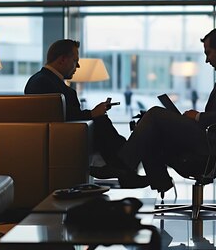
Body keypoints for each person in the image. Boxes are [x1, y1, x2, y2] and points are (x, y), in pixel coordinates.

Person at [118, 29, 216, 194]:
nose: (207, 60)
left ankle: (124, 168)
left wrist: (199, 117)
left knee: (155, 114)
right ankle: (154, 178)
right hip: (213, 137)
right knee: (151, 125)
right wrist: (196, 118)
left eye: (209, 53)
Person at [25, 39, 147, 188]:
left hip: (58, 135)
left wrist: (93, 113)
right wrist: (92, 114)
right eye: (75, 60)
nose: (77, 66)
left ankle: (123, 165)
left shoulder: (41, 80)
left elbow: (63, 116)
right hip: (64, 139)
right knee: (101, 120)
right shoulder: (46, 83)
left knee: (101, 119)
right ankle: (125, 164)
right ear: (62, 59)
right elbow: (64, 120)